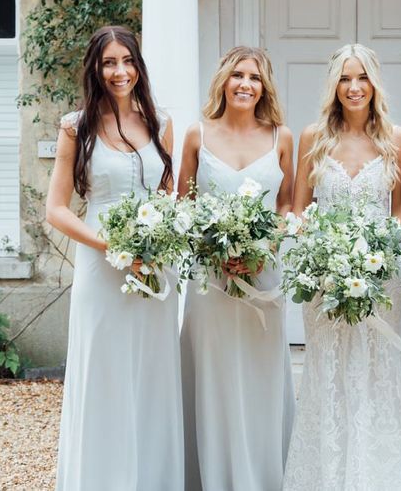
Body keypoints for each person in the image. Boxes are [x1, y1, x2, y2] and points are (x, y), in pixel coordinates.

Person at [46, 25, 182, 491]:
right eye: (109, 63)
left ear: (138, 66)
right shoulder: (74, 126)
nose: (119, 71)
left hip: (155, 267)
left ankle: (152, 479)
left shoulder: (161, 123)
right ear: (96, 69)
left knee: (152, 370)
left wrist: (156, 243)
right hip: (100, 267)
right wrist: (111, 247)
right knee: (103, 372)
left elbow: (168, 198)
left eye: (127, 61)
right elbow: (57, 209)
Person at [282, 44, 401, 491]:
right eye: (344, 78)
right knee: (329, 371)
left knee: (377, 373)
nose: (353, 88)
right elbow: (299, 212)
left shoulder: (398, 140)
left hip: (380, 279)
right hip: (325, 279)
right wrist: (320, 256)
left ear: (374, 83)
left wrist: (379, 253)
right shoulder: (313, 137)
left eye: (361, 78)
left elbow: (400, 215)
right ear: (334, 85)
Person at [178, 46, 295, 490]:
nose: (246, 84)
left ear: (264, 87)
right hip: (211, 281)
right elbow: (183, 209)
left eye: (255, 77)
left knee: (260, 377)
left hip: (264, 278)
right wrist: (213, 250)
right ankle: (212, 477)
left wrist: (262, 248)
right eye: (238, 75)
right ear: (224, 81)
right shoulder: (196, 136)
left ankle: (264, 478)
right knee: (214, 375)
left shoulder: (281, 137)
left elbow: (286, 206)